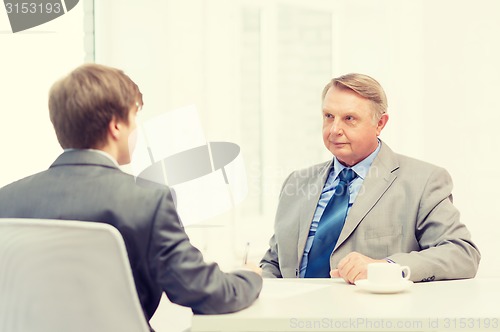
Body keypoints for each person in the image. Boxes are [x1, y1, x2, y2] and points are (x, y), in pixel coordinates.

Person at [0, 64, 262, 327]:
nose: (136, 128)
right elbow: (203, 290)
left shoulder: (7, 201)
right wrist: (250, 276)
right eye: (134, 118)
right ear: (116, 126)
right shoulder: (148, 200)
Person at [260, 73, 480, 283]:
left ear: (380, 124)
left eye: (349, 118)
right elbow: (273, 263)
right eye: (329, 116)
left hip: (369, 318)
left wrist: (386, 267)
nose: (335, 129)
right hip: (292, 318)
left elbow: (462, 254)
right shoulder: (296, 183)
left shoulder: (423, 181)